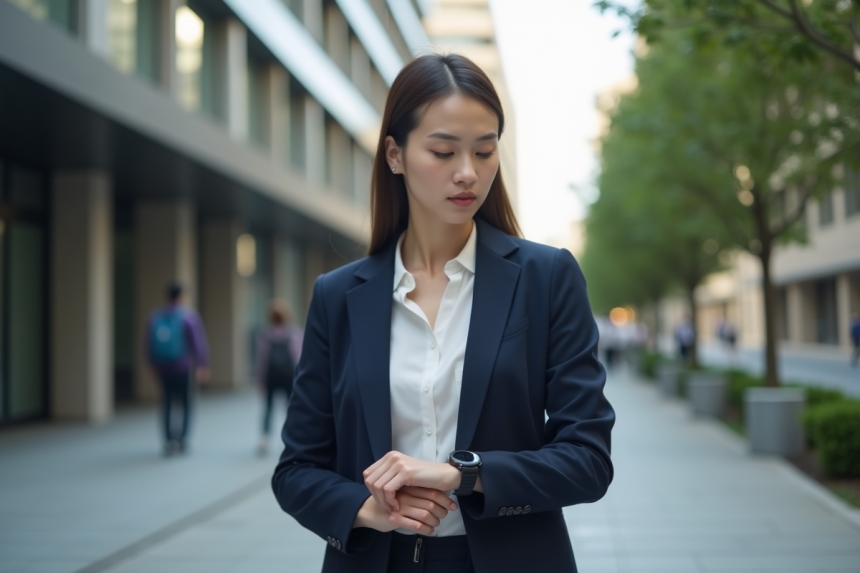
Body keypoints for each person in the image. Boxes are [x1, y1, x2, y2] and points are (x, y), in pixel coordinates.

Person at [271, 54, 615, 573]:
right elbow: (296, 469)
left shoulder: (547, 277)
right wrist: (365, 510)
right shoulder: (339, 295)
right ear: (395, 154)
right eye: (443, 151)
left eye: (484, 151)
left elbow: (588, 460)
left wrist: (463, 475)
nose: (467, 173)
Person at [147, 282, 210, 456]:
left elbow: (148, 343)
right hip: (182, 366)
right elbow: (198, 343)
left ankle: (168, 441)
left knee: (166, 403)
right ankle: (182, 439)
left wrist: (152, 364)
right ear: (181, 296)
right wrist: (203, 364)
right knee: (185, 403)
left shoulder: (156, 316)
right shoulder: (188, 316)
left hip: (163, 367)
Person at [255, 299, 303, 455]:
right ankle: (293, 437)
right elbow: (298, 358)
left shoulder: (265, 335)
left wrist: (260, 379)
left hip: (271, 377)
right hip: (289, 377)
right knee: (290, 408)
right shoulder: (294, 334)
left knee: (268, 408)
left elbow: (262, 360)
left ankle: (265, 439)